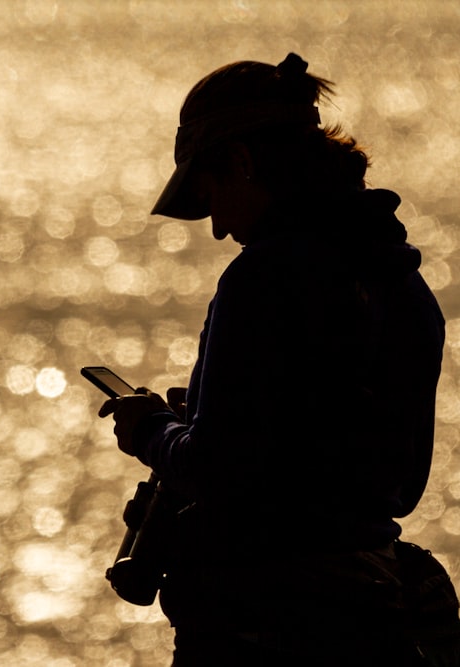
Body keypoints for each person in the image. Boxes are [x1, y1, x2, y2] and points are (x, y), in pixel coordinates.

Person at [99, 53, 460, 666]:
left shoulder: (261, 277)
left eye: (211, 194)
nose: (215, 227)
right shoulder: (404, 283)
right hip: (374, 613)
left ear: (241, 163)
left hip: (259, 629)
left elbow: (215, 467)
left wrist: (150, 430)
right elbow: (399, 485)